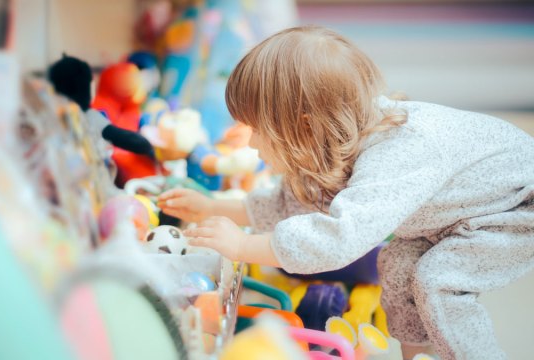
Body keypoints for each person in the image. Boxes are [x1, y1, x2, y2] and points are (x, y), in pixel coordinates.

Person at [157, 26, 534, 360]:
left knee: (438, 278)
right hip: (461, 215)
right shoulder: (339, 140)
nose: (251, 142)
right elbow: (295, 202)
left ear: (303, 127)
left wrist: (242, 247)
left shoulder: (398, 153)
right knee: (400, 264)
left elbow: (339, 238)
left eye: (256, 129)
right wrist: (211, 206)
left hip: (513, 208)